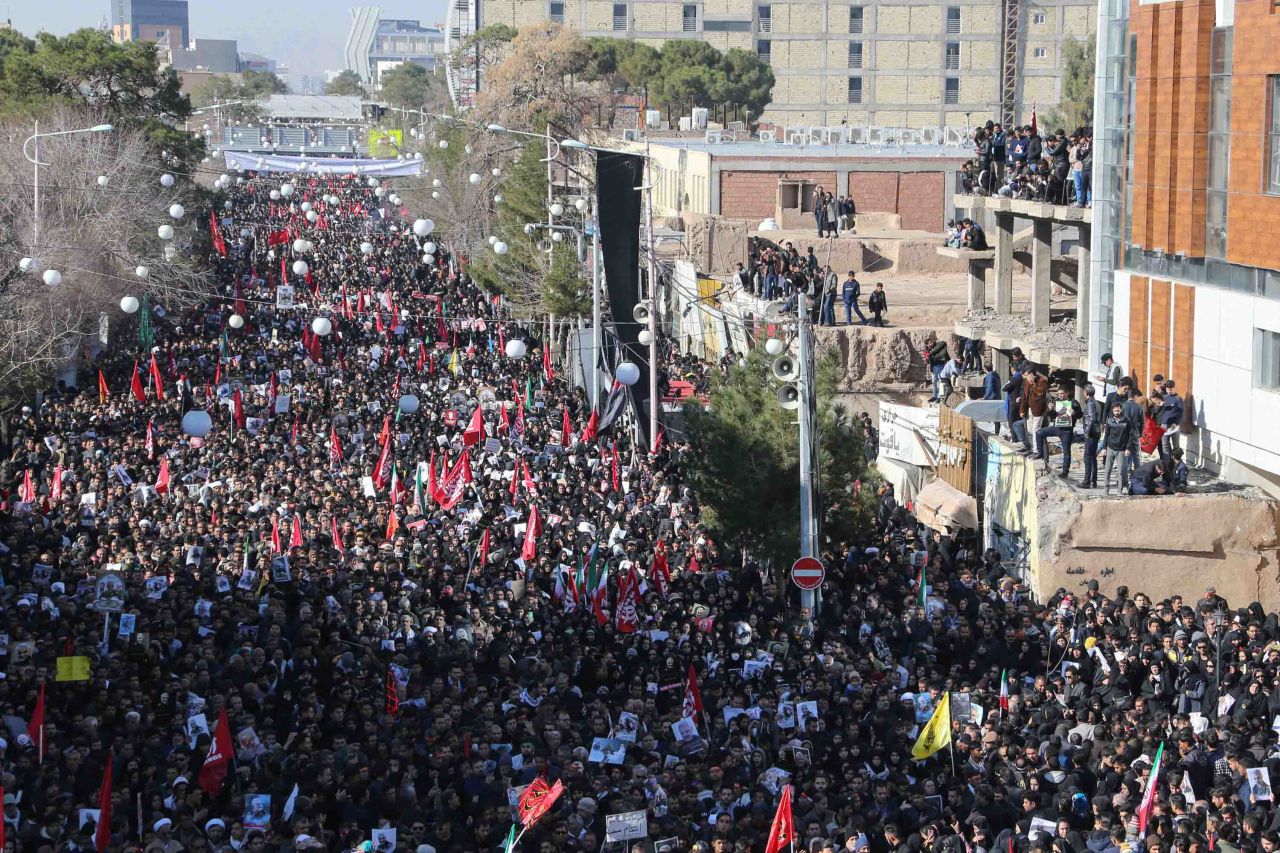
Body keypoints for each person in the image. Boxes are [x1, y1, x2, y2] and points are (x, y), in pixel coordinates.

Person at [1033, 385, 1081, 476]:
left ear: (1067, 393)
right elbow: (1052, 416)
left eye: (1062, 393)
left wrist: (1074, 413)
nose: (1060, 396)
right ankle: (1040, 453)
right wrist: (1050, 410)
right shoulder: (1057, 401)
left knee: (1066, 451)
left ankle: (1065, 471)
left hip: (1067, 430)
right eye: (1059, 394)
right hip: (1057, 427)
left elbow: (1080, 415)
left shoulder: (1074, 402)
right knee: (1039, 432)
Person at [1101, 401, 1132, 493]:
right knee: (1107, 470)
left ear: (1121, 410)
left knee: (1121, 472)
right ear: (1112, 411)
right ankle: (1106, 489)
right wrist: (1104, 448)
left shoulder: (1126, 421)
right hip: (1110, 447)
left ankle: (1119, 490)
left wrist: (1128, 448)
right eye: (1114, 411)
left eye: (1118, 411)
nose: (1116, 412)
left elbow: (1130, 436)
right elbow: (1106, 435)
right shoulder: (1109, 420)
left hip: (1121, 450)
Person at [1080, 384, 1103, 488]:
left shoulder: (1090, 403)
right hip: (1096, 432)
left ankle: (1087, 481)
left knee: (1088, 457)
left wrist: (1087, 432)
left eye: (1084, 391)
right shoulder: (1096, 402)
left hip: (1091, 433)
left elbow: (1092, 418)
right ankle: (1094, 481)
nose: (1083, 393)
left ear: (1086, 393)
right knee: (1093, 456)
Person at [926, 338, 950, 403]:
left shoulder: (938, 345)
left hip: (941, 365)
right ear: (927, 345)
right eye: (930, 343)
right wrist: (928, 358)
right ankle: (935, 396)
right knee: (934, 382)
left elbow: (944, 347)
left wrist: (949, 361)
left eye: (932, 342)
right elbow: (927, 360)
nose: (932, 343)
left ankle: (940, 397)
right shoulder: (927, 350)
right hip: (934, 367)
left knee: (941, 381)